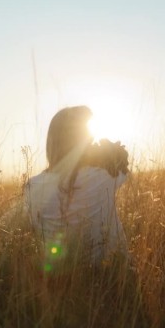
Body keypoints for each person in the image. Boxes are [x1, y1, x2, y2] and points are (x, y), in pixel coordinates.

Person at [24, 106, 129, 272]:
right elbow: (124, 169)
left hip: (61, 277)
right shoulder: (104, 176)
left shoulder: (31, 186)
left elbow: (34, 229)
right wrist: (107, 154)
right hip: (112, 273)